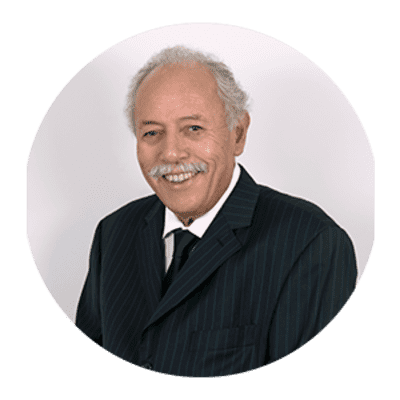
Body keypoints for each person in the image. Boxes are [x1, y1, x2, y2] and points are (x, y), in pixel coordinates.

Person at [76, 45, 357, 377]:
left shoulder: (310, 244)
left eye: (193, 129)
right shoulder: (114, 233)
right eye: (152, 132)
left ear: (238, 134)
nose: (171, 153)